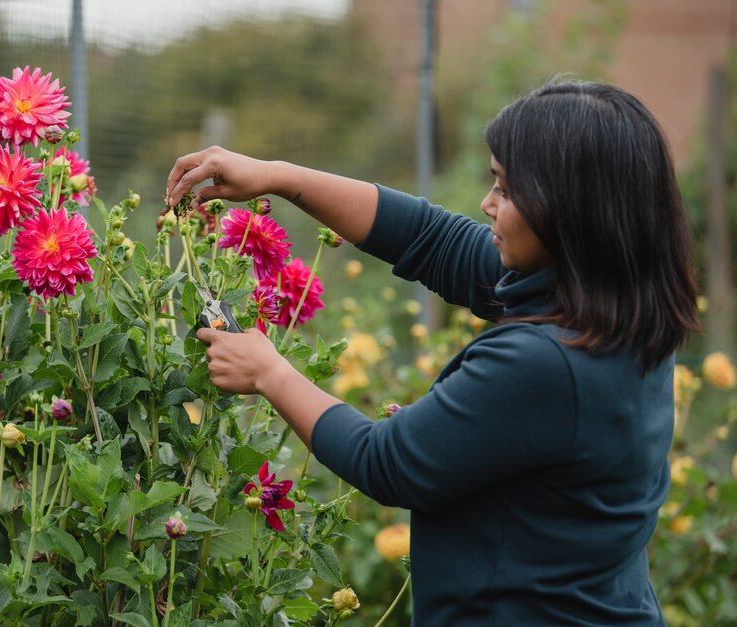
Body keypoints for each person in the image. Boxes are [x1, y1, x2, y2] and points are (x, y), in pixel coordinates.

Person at [166, 80, 699, 626]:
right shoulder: (618, 311)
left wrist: (269, 372)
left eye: (508, 191)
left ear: (571, 212)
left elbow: (389, 462)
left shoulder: (548, 364)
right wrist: (279, 176)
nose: (487, 205)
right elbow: (434, 239)